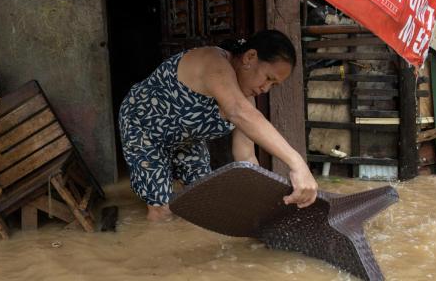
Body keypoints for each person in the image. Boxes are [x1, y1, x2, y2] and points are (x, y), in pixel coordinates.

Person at [118, 30, 318, 222]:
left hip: (187, 140)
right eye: (268, 78)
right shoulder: (213, 62)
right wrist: (297, 163)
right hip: (144, 128)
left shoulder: (246, 100)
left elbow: (246, 157)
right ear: (250, 57)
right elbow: (237, 111)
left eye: (273, 85)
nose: (265, 88)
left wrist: (259, 204)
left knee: (202, 202)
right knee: (162, 208)